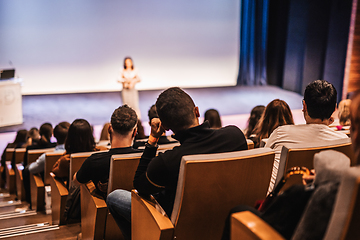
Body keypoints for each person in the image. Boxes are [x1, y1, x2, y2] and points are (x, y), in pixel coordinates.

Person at [106, 87, 248, 240]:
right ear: (197, 111)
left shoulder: (167, 162)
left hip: (182, 228)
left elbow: (139, 185)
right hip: (231, 219)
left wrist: (153, 140)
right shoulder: (235, 136)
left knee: (114, 197)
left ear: (166, 127)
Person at [265, 80, 349, 192]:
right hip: (321, 204)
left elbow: (263, 167)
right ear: (334, 108)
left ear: (304, 106)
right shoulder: (344, 141)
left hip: (281, 203)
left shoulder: (281, 133)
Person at [73, 105, 142, 199]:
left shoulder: (94, 161)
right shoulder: (145, 157)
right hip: (140, 210)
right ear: (134, 132)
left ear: (109, 129)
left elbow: (76, 181)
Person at [23, 122, 70, 205]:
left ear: (54, 135)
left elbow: (32, 169)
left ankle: (29, 202)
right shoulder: (75, 154)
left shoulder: (46, 156)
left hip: (54, 189)